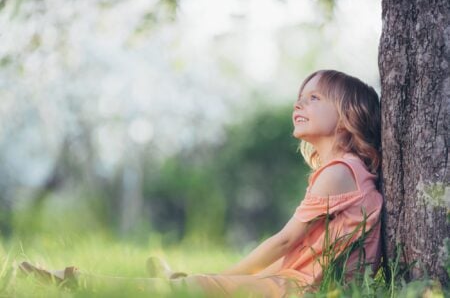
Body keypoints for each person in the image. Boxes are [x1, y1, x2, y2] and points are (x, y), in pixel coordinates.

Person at [17, 69, 384, 297]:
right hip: (305, 283)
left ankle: (74, 282)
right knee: (192, 287)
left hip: (304, 290)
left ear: (346, 116)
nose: (298, 105)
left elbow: (285, 240)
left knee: (195, 289)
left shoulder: (338, 172)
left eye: (313, 98)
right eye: (298, 98)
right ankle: (176, 278)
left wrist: (219, 278)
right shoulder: (350, 170)